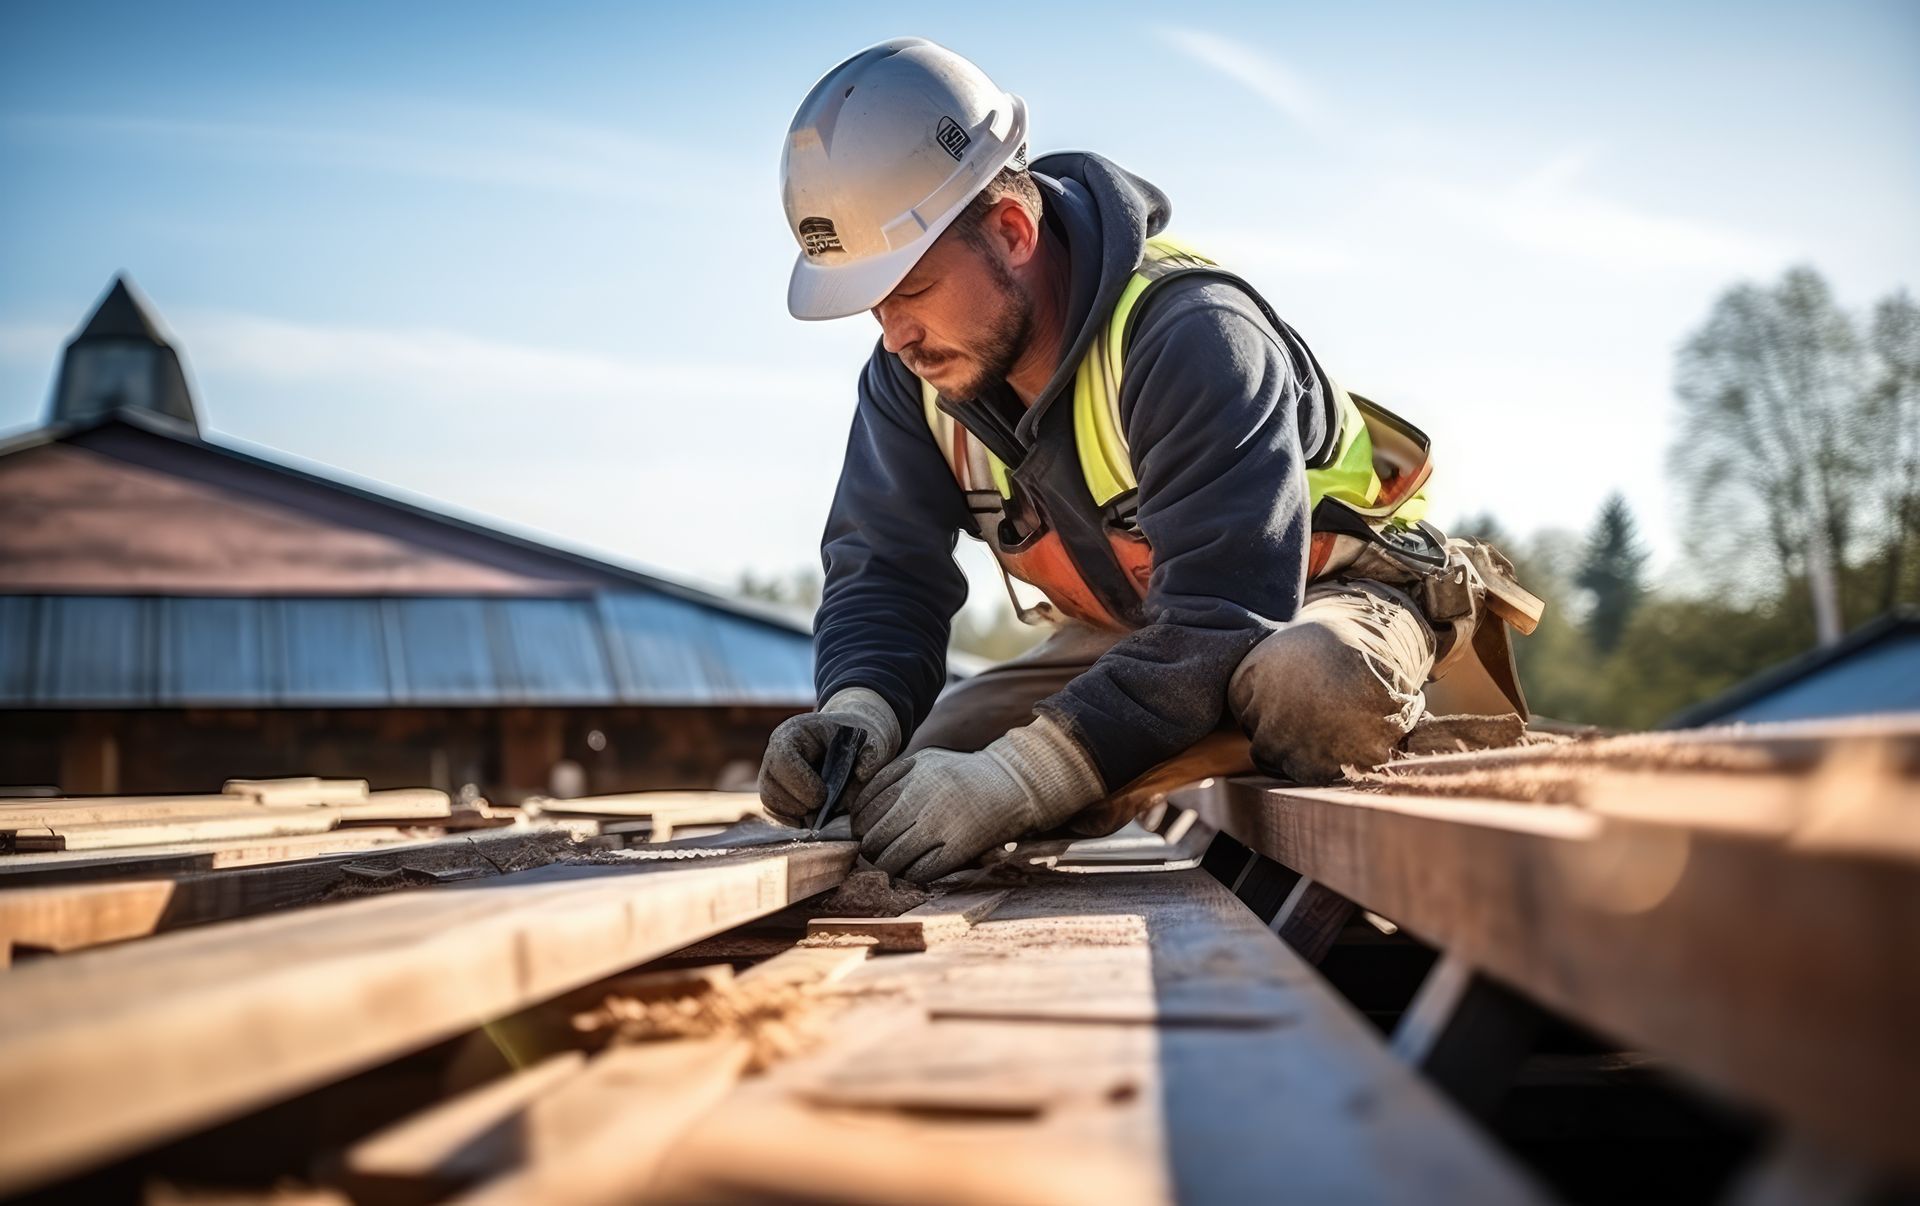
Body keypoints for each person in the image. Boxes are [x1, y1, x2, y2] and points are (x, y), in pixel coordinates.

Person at [758, 38, 1538, 883]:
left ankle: (1350, 713)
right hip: (1152, 638)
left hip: (1322, 603)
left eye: (909, 290)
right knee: (915, 768)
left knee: (1310, 688)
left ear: (1013, 230)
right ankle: (1156, 729)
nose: (895, 336)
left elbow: (1225, 612)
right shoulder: (913, 378)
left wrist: (1029, 777)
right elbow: (884, 572)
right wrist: (858, 711)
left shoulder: (1192, 335)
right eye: (874, 307)